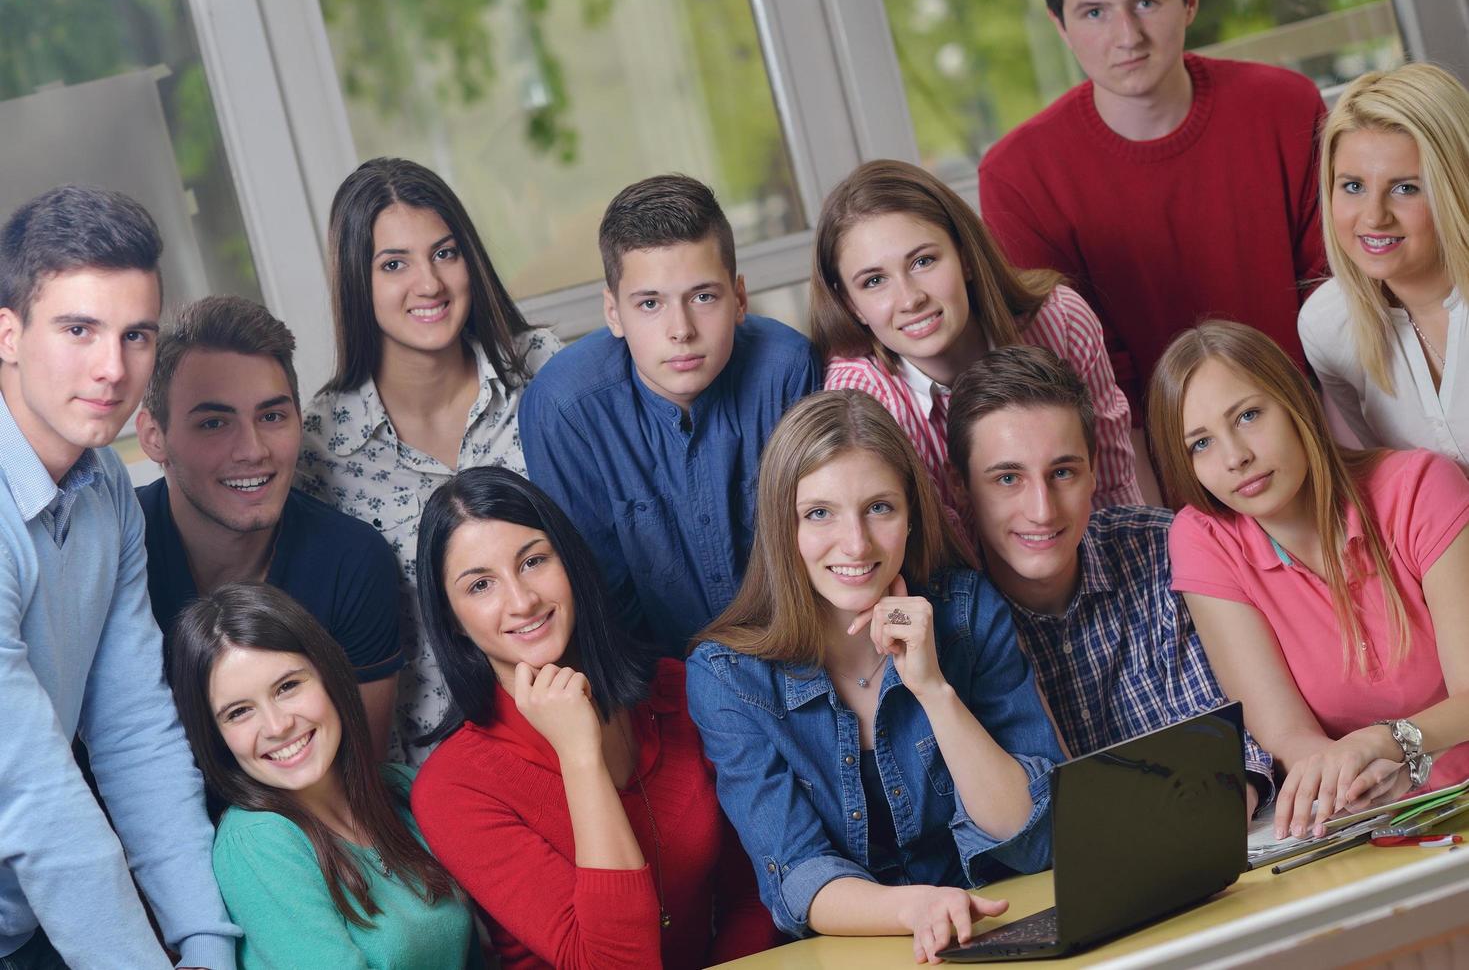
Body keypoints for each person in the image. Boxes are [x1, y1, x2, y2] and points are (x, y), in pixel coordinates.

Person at [687, 390, 1062, 965]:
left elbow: (1030, 833)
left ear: (911, 515)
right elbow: (797, 876)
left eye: (879, 508)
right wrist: (918, 909)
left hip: (1001, 929)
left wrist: (933, 691)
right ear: (781, 529)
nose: (856, 544)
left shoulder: (966, 613)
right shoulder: (729, 676)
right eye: (819, 514)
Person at [410, 467, 779, 970]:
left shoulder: (676, 690)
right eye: (480, 586)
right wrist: (580, 755)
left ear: (571, 561)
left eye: (534, 561)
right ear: (452, 618)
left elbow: (756, 890)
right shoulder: (453, 788)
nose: (522, 601)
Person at [0, 186, 238, 968]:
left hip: (30, 920)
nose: (112, 368)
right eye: (78, 329)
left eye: (136, 335)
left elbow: (134, 729)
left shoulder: (105, 488)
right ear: (7, 333)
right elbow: (32, 793)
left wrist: (203, 943)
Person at [1148, 320, 1469, 841]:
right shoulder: (1204, 537)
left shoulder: (1420, 488)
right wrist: (1355, 779)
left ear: (1296, 401)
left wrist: (1386, 743)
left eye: (1248, 416)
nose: (1235, 457)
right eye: (1200, 444)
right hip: (1365, 826)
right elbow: (1285, 734)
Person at [296, 157, 562, 763]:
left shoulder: (544, 373)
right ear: (355, 284)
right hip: (434, 771)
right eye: (394, 264)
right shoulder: (319, 448)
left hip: (583, 720)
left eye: (445, 253)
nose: (430, 284)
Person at [946, 344, 1273, 816]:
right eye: (1007, 479)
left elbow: (1235, 744)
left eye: (1062, 472)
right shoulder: (956, 625)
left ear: (1095, 470)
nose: (1042, 511)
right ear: (960, 487)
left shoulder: (1164, 549)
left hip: (1226, 844)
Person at [979, 0, 1327, 411]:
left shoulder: (1287, 107)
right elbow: (1068, 367)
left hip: (1309, 416)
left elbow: (1332, 295)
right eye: (1094, 12)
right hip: (1135, 452)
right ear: (1060, 27)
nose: (1128, 36)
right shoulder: (1016, 177)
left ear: (1191, 2)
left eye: (1146, 3)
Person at [520, 174, 820, 658]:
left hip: (799, 657)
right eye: (650, 304)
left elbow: (822, 550)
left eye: (703, 297)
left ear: (739, 298)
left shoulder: (788, 370)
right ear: (613, 312)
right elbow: (599, 602)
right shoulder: (565, 408)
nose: (680, 330)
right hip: (658, 690)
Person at [135, 295, 402, 756]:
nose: (253, 449)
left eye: (272, 416)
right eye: (214, 423)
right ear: (153, 436)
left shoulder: (352, 561)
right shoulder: (109, 553)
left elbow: (358, 783)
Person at [168, 583, 480, 969]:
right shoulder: (256, 841)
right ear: (216, 737)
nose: (277, 725)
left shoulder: (402, 788)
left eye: (287, 687)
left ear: (328, 676)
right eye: (239, 712)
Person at [815, 158, 1139, 530]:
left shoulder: (1060, 321)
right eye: (874, 281)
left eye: (923, 261)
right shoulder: (862, 399)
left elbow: (1114, 490)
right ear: (850, 304)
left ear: (965, 257)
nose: (910, 299)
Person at [1299, 63, 1469, 468]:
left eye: (1405, 188)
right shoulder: (1328, 325)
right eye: (1353, 186)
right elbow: (1404, 486)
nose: (1374, 217)